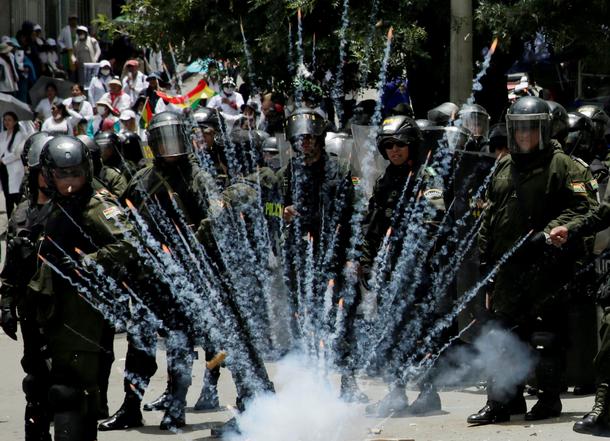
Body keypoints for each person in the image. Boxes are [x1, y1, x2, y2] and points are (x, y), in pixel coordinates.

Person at [467, 96, 593, 426]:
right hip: (507, 268)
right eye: (518, 129)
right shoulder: (505, 165)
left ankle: (550, 399)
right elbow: (490, 214)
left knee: (544, 337)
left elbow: (584, 208)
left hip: (546, 266)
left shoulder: (564, 165)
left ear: (543, 129)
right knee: (502, 335)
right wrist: (486, 260)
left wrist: (549, 233)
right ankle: (502, 401)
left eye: (529, 129)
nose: (523, 136)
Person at [28, 134, 138, 441]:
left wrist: (90, 262)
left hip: (83, 316)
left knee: (74, 394)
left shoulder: (95, 204)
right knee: (54, 390)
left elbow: (129, 242)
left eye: (75, 173)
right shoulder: (55, 205)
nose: (69, 181)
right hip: (53, 312)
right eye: (61, 175)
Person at [279, 107, 367, 402]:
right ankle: (314, 385)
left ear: (319, 137)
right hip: (303, 260)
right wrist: (284, 213)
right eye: (300, 138)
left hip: (337, 256)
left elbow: (357, 214)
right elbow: (271, 209)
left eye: (309, 137)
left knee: (344, 320)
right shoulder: (288, 173)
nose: (305, 142)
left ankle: (349, 380)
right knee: (307, 321)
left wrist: (354, 256)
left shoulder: (340, 170)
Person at [360, 115, 446, 417]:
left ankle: (429, 393)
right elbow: (371, 225)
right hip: (388, 273)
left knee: (420, 333)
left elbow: (434, 221)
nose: (395, 150)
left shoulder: (428, 176)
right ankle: (395, 392)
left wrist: (411, 257)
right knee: (390, 333)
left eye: (400, 144)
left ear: (412, 145)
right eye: (389, 145)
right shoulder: (386, 180)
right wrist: (366, 263)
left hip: (417, 273)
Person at [0, 131, 55, 441]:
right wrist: (6, 304)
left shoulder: (76, 208)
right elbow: (11, 266)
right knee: (36, 381)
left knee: (68, 385)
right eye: (42, 171)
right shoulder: (22, 213)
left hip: (68, 310)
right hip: (33, 309)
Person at [0, 111, 27, 217]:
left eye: (9, 120)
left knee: (17, 196)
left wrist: (3, 160)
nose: (6, 122)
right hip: (3, 169)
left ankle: (22, 221)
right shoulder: (2, 135)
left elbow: (17, 153)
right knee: (8, 197)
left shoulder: (20, 135)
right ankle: (10, 223)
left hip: (14, 169)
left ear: (15, 122)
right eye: (5, 119)